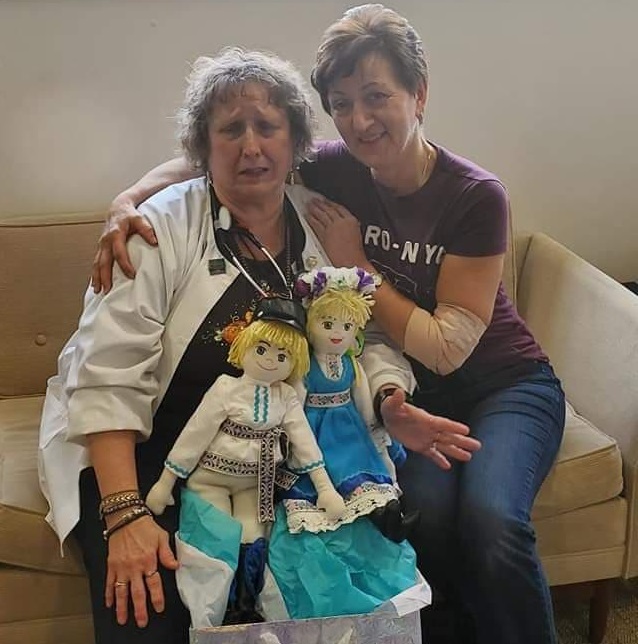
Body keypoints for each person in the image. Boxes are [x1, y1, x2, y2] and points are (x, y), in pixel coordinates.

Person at [92, 5, 567, 643]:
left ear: (419, 94)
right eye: (342, 104)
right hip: (402, 396)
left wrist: (358, 267)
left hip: (498, 383)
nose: (360, 120)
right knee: (419, 516)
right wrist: (126, 200)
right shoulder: (336, 170)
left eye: (377, 96)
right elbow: (220, 155)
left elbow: (437, 347)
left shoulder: (471, 195)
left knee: (491, 520)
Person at [38, 45, 479, 644]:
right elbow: (107, 373)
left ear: (295, 143)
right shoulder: (157, 227)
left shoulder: (322, 221)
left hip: (282, 454)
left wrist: (388, 399)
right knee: (148, 612)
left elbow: (364, 334)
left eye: (268, 127)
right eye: (231, 130)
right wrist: (123, 513)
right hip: (148, 450)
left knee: (343, 598)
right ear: (203, 145)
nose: (251, 147)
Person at [145, 296, 346, 627]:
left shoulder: (287, 397)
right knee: (217, 534)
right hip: (210, 478)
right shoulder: (226, 388)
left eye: (282, 356)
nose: (270, 360)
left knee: (253, 538)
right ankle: (211, 609)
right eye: (262, 349)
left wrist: (324, 488)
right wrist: (166, 482)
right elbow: (196, 433)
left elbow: (304, 442)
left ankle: (242, 605)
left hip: (256, 483)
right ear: (246, 344)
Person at [267, 265, 424, 620]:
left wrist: (376, 428)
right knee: (326, 477)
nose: (337, 334)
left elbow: (364, 399)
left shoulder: (351, 364)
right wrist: (287, 436)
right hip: (316, 431)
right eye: (328, 325)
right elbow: (294, 402)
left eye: (346, 326)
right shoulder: (306, 366)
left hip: (351, 428)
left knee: (368, 471)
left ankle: (388, 517)